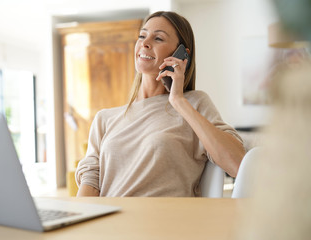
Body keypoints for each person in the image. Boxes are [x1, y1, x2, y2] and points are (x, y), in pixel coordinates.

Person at [75, 11, 245, 197]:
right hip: (112, 221)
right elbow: (90, 180)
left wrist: (178, 101)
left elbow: (237, 164)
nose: (145, 43)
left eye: (158, 38)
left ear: (182, 55)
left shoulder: (194, 104)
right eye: (142, 35)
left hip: (164, 222)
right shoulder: (105, 119)